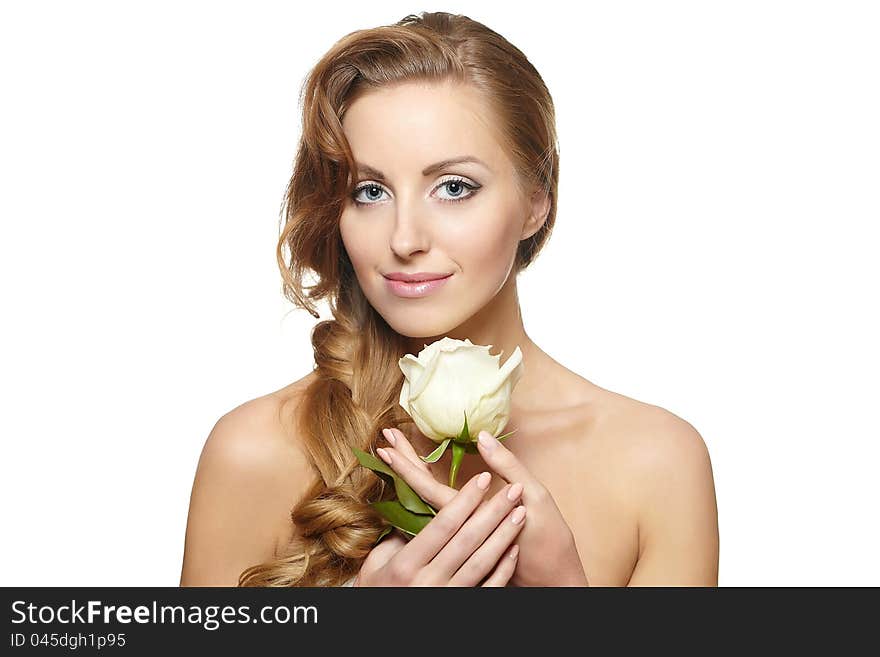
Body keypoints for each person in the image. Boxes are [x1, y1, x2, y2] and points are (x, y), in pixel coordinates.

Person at [179, 10, 719, 587]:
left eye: (454, 188)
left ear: (536, 201)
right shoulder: (255, 451)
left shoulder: (655, 463)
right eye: (370, 191)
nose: (404, 239)